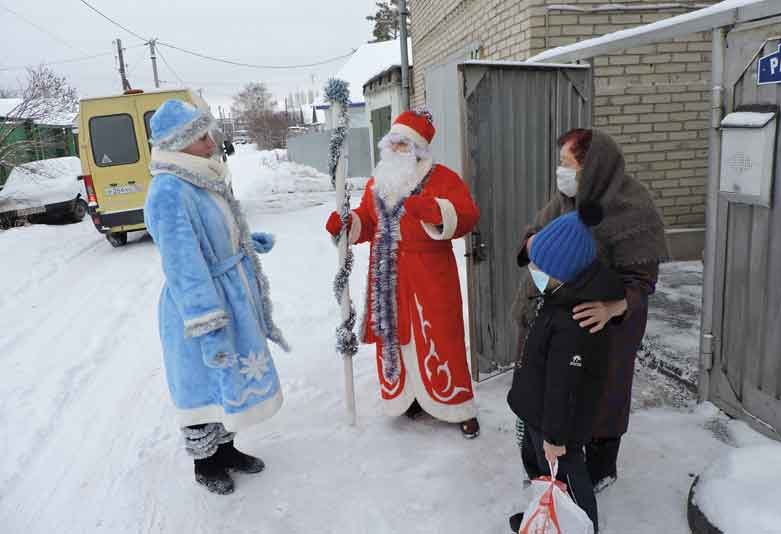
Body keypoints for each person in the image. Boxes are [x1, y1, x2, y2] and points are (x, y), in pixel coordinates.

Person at [144, 99, 289, 495]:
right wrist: (206, 322)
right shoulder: (169, 191)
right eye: (201, 136)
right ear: (179, 144)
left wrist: (241, 243)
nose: (211, 142)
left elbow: (215, 231)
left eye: (208, 133)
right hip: (198, 305)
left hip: (227, 292)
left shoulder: (202, 178)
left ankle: (227, 451)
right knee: (200, 382)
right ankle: (205, 465)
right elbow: (183, 265)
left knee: (227, 380)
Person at [511, 129, 669, 491]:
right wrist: (532, 244)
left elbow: (642, 281)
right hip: (555, 312)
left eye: (567, 164)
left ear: (594, 168)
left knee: (602, 397)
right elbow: (531, 238)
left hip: (608, 322)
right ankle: (546, 465)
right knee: (548, 392)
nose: (560, 172)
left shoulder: (633, 206)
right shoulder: (567, 198)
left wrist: (612, 307)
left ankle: (598, 470)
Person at [325, 109, 481, 438]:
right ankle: (408, 397)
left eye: (404, 144)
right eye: (392, 143)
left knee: (441, 336)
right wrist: (348, 223)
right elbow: (368, 221)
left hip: (429, 273)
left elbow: (467, 215)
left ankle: (457, 406)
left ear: (420, 149)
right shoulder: (377, 182)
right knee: (395, 338)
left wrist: (435, 210)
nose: (396, 149)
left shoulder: (443, 178)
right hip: (387, 274)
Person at [507, 204, 624, 534]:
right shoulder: (561, 293)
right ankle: (544, 516)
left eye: (540, 266)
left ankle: (581, 526)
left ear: (564, 272)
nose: (534, 270)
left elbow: (564, 385)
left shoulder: (576, 320)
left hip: (557, 425)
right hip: (538, 412)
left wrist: (555, 436)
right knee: (541, 471)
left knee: (568, 479)